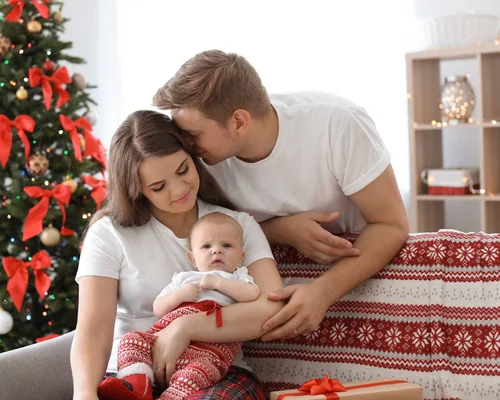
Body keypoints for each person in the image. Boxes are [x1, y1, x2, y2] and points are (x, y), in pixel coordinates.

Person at [152, 49, 409, 342]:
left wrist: (324, 291)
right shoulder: (201, 160)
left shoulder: (337, 125)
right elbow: (198, 236)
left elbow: (391, 225)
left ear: (238, 122)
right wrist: (281, 230)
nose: (184, 144)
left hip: (359, 277)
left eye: (193, 134)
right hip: (259, 299)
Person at [71, 110, 284, 400]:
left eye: (183, 170)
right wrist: (84, 394)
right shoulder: (109, 234)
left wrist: (186, 327)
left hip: (216, 372)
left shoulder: (236, 226)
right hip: (131, 375)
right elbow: (94, 328)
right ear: (136, 190)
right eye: (158, 187)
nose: (179, 189)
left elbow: (270, 309)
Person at [98, 212, 260, 400]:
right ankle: (137, 386)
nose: (216, 250)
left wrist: (218, 283)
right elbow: (158, 307)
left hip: (211, 349)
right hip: (163, 342)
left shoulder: (238, 276)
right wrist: (179, 295)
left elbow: (252, 294)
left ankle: (170, 397)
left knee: (199, 373)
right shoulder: (183, 278)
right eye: (206, 246)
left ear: (240, 257)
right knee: (131, 340)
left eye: (226, 245)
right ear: (192, 258)